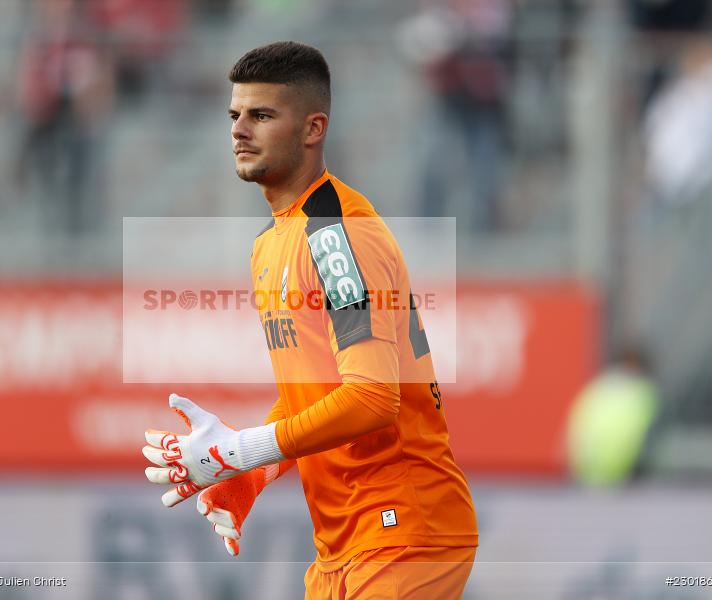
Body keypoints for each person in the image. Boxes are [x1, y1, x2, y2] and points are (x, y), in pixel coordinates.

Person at [143, 41, 478, 599]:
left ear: (313, 127)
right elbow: (315, 392)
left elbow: (373, 398)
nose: (239, 130)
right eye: (235, 115)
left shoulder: (336, 235)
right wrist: (252, 473)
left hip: (402, 527)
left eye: (262, 115)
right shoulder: (274, 241)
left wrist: (239, 450)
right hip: (342, 543)